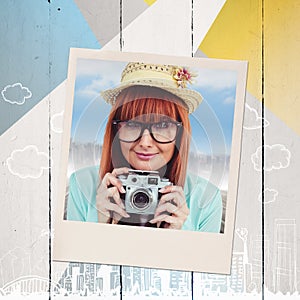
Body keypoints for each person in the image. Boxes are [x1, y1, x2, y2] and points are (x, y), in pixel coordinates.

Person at [67, 62, 222, 232]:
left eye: (162, 125)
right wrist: (100, 226)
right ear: (116, 130)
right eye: (132, 124)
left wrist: (177, 238)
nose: (145, 142)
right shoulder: (82, 185)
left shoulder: (206, 199)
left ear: (180, 133)